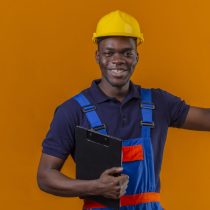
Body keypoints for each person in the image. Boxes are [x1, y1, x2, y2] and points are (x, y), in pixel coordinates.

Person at [37, 10, 210, 210]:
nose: (118, 60)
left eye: (127, 53)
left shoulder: (159, 103)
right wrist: (95, 187)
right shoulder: (72, 111)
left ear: (137, 57)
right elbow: (45, 176)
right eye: (109, 52)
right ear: (98, 56)